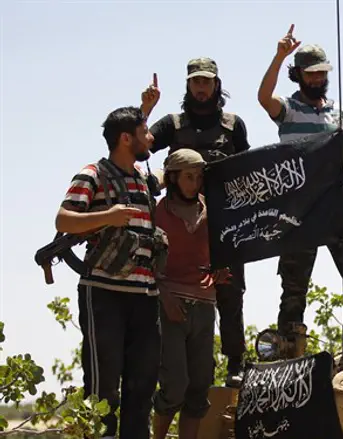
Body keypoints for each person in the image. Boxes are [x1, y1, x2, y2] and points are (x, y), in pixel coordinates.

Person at [257, 24, 343, 347]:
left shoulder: (338, 113)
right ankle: (289, 346)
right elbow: (264, 97)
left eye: (322, 73)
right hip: (296, 210)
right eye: (311, 74)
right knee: (294, 285)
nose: (318, 79)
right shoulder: (289, 110)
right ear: (299, 75)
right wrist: (280, 57)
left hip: (333, 204)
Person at [55, 105, 165, 438]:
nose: (151, 137)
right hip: (104, 294)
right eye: (145, 132)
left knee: (143, 387)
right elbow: (63, 220)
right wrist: (108, 216)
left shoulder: (143, 179)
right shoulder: (93, 174)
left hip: (145, 296)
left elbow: (171, 172)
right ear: (125, 138)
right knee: (102, 389)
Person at [145, 57, 251, 386]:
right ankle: (172, 372)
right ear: (188, 85)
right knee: (170, 288)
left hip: (224, 223)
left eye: (206, 82)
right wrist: (145, 109)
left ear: (216, 84)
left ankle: (236, 363)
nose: (201, 87)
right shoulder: (173, 124)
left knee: (230, 293)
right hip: (179, 221)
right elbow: (140, 146)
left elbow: (249, 169)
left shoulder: (233, 124)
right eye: (195, 82)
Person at [151, 149, 230, 439]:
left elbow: (220, 252)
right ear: (172, 177)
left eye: (198, 177)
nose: (194, 182)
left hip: (205, 304)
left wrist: (219, 272)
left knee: (199, 386)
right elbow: (142, 263)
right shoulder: (156, 212)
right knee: (174, 384)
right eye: (187, 176)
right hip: (169, 303)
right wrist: (164, 296)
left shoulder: (211, 211)